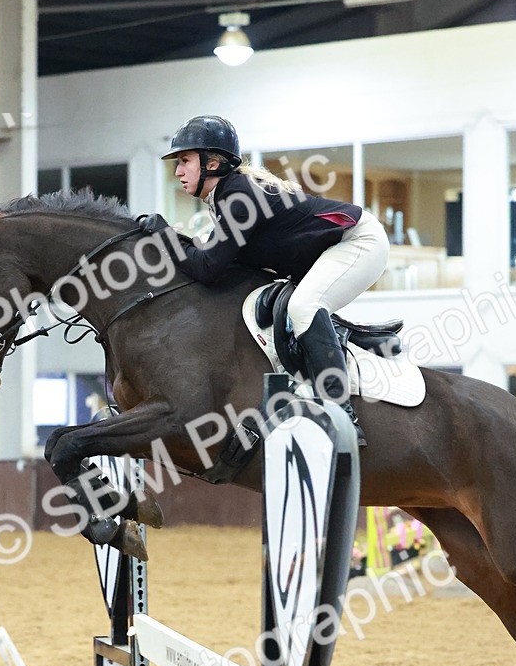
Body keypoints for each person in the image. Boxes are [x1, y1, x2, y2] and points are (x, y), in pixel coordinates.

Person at [141, 115, 390, 444]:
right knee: (294, 307)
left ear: (212, 162)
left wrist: (165, 236)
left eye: (185, 161)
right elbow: (212, 262)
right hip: (331, 250)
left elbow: (206, 269)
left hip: (359, 241)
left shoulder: (238, 196)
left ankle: (342, 410)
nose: (178, 172)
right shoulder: (227, 197)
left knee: (303, 306)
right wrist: (175, 239)